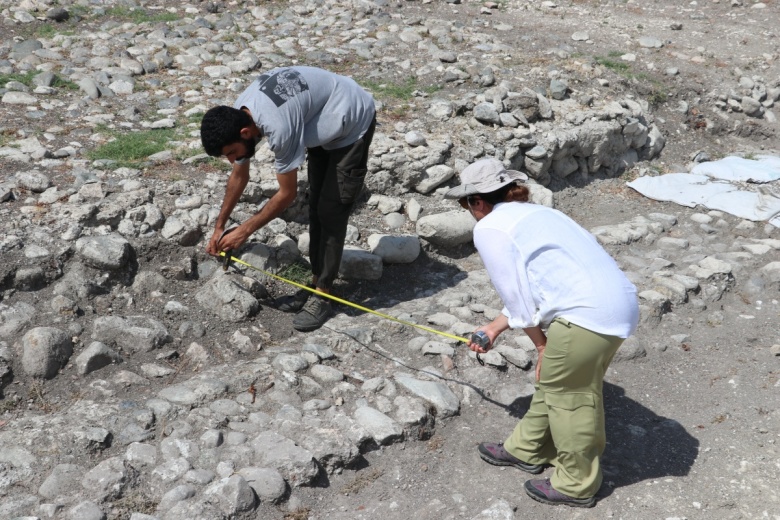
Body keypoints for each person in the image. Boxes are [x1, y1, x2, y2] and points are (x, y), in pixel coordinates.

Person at [445, 158, 639, 508]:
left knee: (571, 397)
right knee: (556, 382)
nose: (469, 211)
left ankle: (576, 484)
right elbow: (539, 282)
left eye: (467, 204)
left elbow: (517, 296)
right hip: (614, 304)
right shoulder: (540, 214)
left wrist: (541, 346)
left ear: (477, 201)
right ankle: (527, 449)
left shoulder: (490, 227)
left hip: (587, 314)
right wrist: (494, 327)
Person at [200, 66, 376, 332]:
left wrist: (243, 232)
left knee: (331, 209)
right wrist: (220, 226)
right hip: (318, 121)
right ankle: (316, 281)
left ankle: (324, 294)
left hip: (351, 122)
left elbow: (287, 194)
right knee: (317, 204)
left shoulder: (278, 127)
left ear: (245, 134)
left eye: (232, 152)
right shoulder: (239, 115)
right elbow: (239, 175)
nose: (233, 159)